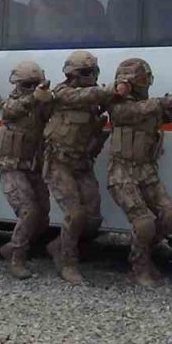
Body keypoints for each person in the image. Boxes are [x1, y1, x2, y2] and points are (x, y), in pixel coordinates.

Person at [107, 58, 172, 287]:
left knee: (171, 215)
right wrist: (171, 98)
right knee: (144, 222)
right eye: (141, 79)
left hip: (146, 170)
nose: (144, 83)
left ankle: (141, 250)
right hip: (122, 172)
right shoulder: (117, 105)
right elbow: (135, 111)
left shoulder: (150, 106)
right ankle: (139, 266)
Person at [42, 50, 113, 284]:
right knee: (75, 214)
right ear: (72, 74)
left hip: (82, 163)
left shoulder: (93, 98)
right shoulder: (63, 93)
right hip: (59, 163)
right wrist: (112, 90)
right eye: (85, 72)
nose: (91, 76)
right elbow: (84, 96)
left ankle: (58, 246)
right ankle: (67, 262)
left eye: (94, 71)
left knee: (93, 218)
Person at [0, 60, 54, 279]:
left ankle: (12, 247)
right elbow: (11, 111)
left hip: (34, 168)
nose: (32, 89)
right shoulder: (10, 103)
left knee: (43, 217)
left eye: (35, 84)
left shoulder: (41, 104)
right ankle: (17, 259)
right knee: (28, 211)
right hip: (11, 168)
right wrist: (34, 97)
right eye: (27, 85)